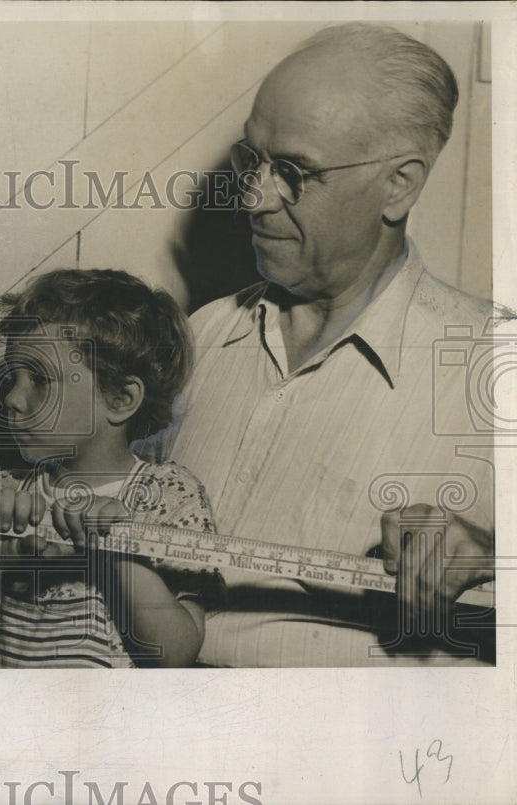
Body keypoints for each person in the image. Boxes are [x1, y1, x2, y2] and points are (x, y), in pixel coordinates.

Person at [171, 23, 500, 666]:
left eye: (294, 171)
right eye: (252, 160)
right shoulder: (199, 339)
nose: (254, 198)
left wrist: (489, 558)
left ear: (399, 184)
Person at [0, 269, 222, 668]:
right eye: (13, 376)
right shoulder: (4, 491)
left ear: (121, 399)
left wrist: (120, 553)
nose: (11, 398)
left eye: (39, 379)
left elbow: (175, 656)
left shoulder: (169, 496)